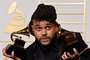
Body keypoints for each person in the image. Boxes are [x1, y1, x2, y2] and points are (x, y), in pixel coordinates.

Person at [2, 3, 90, 60]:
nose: (44, 33)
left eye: (48, 27)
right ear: (32, 30)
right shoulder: (28, 53)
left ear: (56, 27)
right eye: (38, 28)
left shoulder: (73, 41)